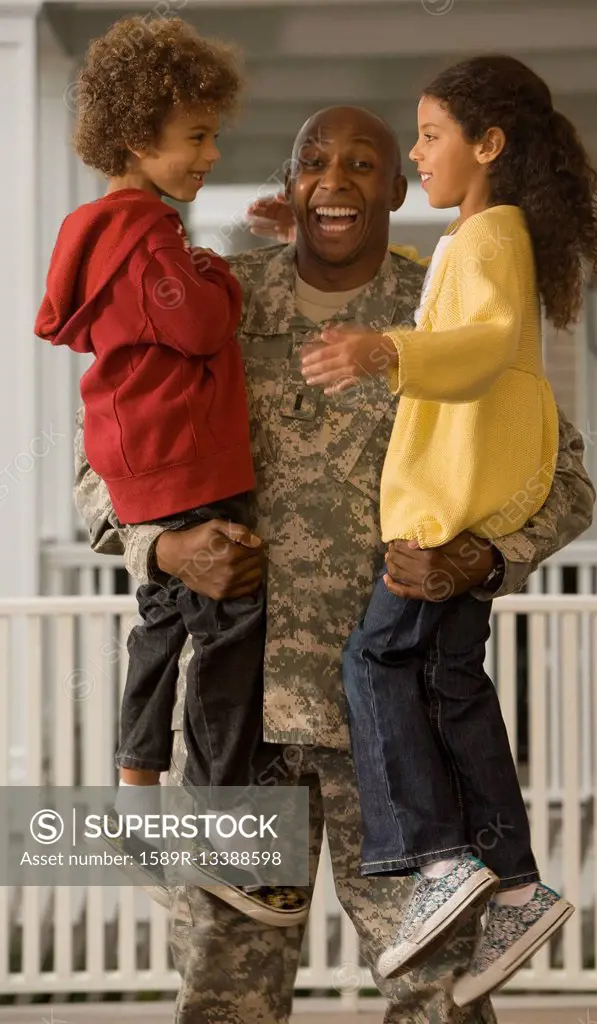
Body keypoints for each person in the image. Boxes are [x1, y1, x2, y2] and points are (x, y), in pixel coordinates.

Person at [74, 105, 596, 1024]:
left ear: (397, 189)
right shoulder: (210, 301)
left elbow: (560, 475)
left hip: (396, 738)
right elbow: (102, 458)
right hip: (241, 722)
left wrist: (480, 556)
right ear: (290, 183)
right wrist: (162, 546)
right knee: (224, 996)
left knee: (438, 997)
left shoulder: (442, 313)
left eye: (364, 164)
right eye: (314, 161)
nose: (336, 181)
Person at [298, 56, 597, 1003]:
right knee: (451, 684)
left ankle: (440, 858)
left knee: (374, 664)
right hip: (458, 509)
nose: (421, 151)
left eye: (430, 135)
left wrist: (383, 348)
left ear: (489, 145)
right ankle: (513, 881)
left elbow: (476, 353)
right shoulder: (488, 237)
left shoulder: (482, 240)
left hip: (441, 519)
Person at [35, 15, 308, 926]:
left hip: (142, 466)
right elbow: (196, 324)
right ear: (135, 138)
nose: (210, 151)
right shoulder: (150, 232)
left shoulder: (94, 234)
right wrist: (218, 276)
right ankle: (225, 837)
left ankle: (136, 793)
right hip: (192, 463)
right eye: (195, 136)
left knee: (161, 626)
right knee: (230, 641)